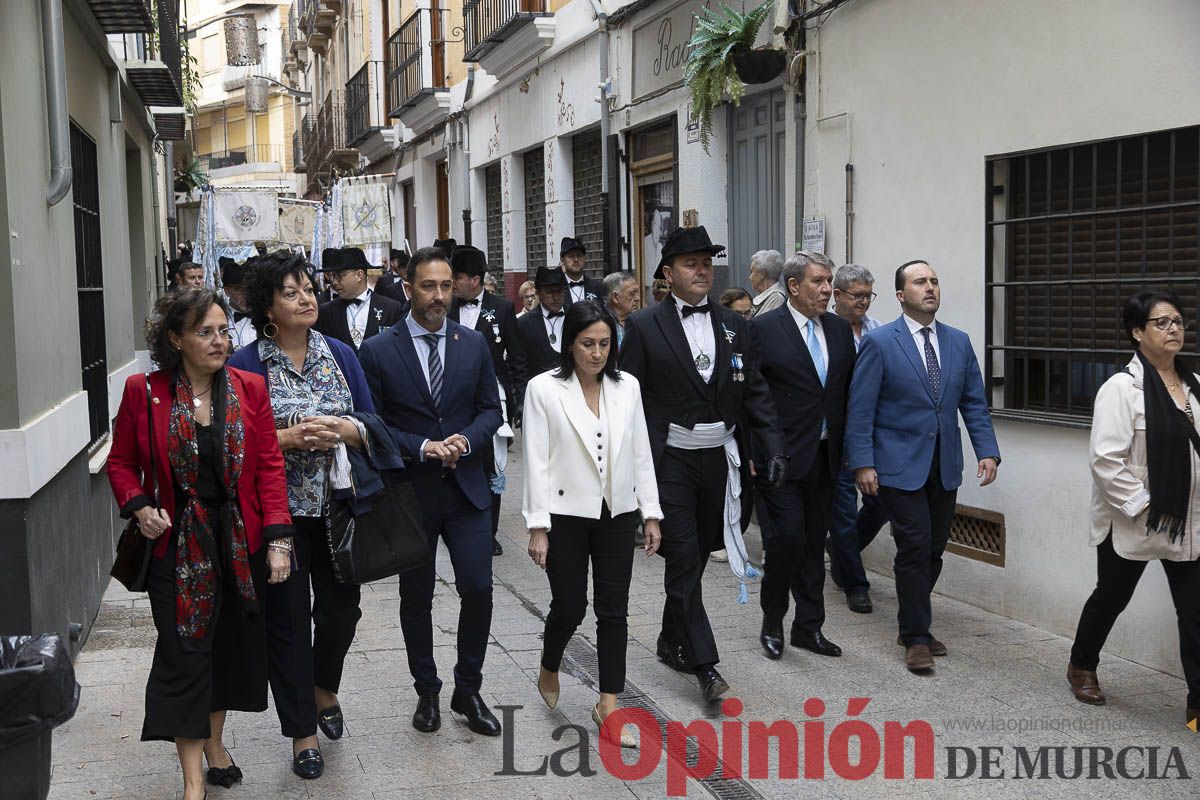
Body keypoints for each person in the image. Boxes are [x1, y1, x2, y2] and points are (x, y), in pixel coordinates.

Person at [107, 288, 293, 800]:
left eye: (224, 330)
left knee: (225, 652)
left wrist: (278, 539)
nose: (219, 341)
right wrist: (141, 506)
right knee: (186, 654)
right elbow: (121, 463)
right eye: (205, 331)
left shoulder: (250, 388)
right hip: (177, 548)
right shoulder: (143, 393)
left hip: (238, 546)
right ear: (176, 339)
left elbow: (269, 468)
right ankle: (193, 784)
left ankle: (215, 744)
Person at [619, 225, 786, 702]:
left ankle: (670, 638)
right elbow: (627, 399)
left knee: (694, 553)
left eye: (707, 263)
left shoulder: (736, 325)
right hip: (669, 459)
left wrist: (771, 448)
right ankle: (705, 666)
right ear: (668, 274)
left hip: (719, 459)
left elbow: (755, 392)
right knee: (685, 558)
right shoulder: (646, 326)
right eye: (691, 264)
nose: (702, 271)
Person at [228, 251, 376, 779]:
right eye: (291, 292)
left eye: (309, 288)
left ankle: (322, 687)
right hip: (278, 517)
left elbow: (370, 422)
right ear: (268, 305)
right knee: (287, 623)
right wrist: (284, 438)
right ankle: (302, 734)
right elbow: (230, 442)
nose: (307, 298)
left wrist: (343, 430)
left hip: (338, 509)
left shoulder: (340, 353)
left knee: (342, 611)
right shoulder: (245, 364)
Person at [358, 247, 505, 738]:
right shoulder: (378, 350)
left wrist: (467, 439)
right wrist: (420, 446)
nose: (439, 295)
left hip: (466, 491)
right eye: (429, 286)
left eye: (446, 286)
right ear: (408, 289)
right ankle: (427, 690)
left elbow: (491, 409)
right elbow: (370, 424)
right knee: (416, 596)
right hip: (410, 494)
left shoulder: (473, 344)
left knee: (479, 588)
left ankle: (469, 688)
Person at [846, 260, 1000, 673]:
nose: (929, 287)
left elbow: (973, 403)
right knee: (913, 545)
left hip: (943, 464)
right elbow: (860, 409)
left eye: (934, 280)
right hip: (897, 465)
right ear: (901, 295)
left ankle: (911, 620)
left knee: (933, 549)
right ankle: (916, 635)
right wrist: (862, 462)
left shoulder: (958, 342)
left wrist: (987, 449)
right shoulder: (880, 342)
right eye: (920, 282)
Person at [523, 300, 663, 748]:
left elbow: (641, 451)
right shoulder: (543, 389)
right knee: (570, 605)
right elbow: (536, 460)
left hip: (616, 513)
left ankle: (609, 703)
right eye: (587, 343)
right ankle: (549, 660)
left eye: (605, 343)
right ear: (570, 343)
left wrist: (651, 512)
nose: (597, 353)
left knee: (613, 609)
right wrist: (537, 525)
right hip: (564, 515)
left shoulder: (628, 388)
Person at [1067, 291, 1200, 723]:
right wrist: (1145, 507)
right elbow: (1106, 461)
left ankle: (1197, 702)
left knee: (1195, 609)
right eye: (1161, 323)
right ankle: (1082, 664)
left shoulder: (1196, 386)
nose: (1173, 329)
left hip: (1188, 519)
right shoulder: (1121, 389)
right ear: (1137, 333)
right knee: (1112, 597)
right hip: (1134, 518)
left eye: (1177, 321)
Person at [749, 252, 854, 662]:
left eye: (829, 282)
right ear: (793, 286)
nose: (828, 290)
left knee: (814, 543)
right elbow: (753, 396)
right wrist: (759, 449)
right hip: (780, 459)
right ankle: (772, 619)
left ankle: (808, 628)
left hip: (826, 458)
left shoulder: (840, 331)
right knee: (786, 539)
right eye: (819, 282)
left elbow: (843, 395)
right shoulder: (762, 329)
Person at [449, 245, 529, 556]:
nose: (451, 284)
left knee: (492, 468)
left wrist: (519, 402)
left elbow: (518, 358)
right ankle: (458, 526)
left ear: (474, 279)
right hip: (454, 401)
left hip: (493, 400)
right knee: (458, 462)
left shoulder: (503, 308)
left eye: (456, 278)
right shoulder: (449, 308)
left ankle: (489, 532)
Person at [825, 263, 887, 614]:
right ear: (838, 295)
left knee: (882, 502)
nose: (864, 303)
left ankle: (840, 548)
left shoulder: (877, 331)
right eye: (857, 296)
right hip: (835, 433)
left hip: (874, 432)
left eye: (868, 296)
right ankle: (854, 583)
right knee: (844, 509)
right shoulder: (827, 330)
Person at [314, 247, 405, 352]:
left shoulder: (391, 308)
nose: (334, 282)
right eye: (332, 277)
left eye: (339, 276)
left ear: (359, 275)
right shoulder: (326, 312)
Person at [517, 266, 569, 377]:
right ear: (538, 293)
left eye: (559, 291)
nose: (555, 297)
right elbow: (519, 368)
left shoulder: (575, 316)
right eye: (550, 292)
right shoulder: (524, 323)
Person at [221, 256, 258, 351]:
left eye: (249, 288)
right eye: (238, 289)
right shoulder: (221, 318)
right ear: (227, 290)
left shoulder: (265, 316)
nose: (246, 294)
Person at [560, 236, 604, 308]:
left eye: (579, 255)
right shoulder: (557, 287)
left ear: (585, 259)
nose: (576, 260)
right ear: (563, 260)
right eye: (571, 256)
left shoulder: (597, 287)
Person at [602, 270, 640, 349]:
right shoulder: (599, 322)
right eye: (632, 293)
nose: (638, 298)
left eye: (637, 293)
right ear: (615, 297)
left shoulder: (640, 320)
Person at [748, 250, 787, 317]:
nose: (750, 277)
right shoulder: (764, 295)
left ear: (762, 273)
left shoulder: (777, 299)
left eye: (752, 272)